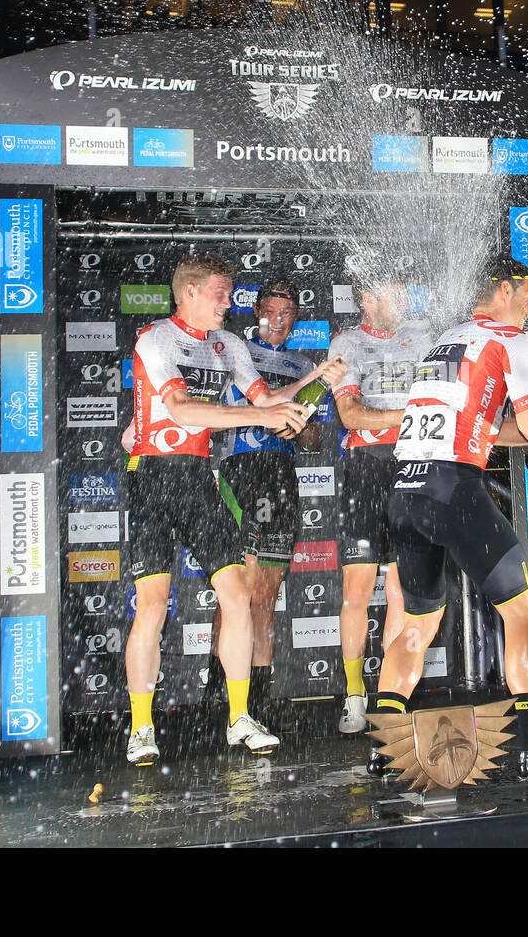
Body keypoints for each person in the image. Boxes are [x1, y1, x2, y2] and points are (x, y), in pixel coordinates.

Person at [371, 255, 528, 777]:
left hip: (405, 492)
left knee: (414, 627)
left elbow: (489, 429)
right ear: (503, 288)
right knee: (522, 614)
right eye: (527, 290)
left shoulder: (447, 339)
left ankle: (383, 753)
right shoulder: (508, 339)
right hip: (452, 487)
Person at [121, 253, 343, 763]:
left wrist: (318, 381)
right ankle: (141, 728)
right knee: (152, 607)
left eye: (230, 292)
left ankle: (239, 717)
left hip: (201, 477)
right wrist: (258, 417)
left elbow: (266, 398)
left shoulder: (229, 344)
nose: (230, 302)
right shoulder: (155, 337)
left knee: (238, 595)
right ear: (190, 292)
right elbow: (180, 408)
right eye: (221, 293)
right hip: (155, 476)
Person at [324, 277, 434, 734]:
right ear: (366, 300)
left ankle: (389, 700)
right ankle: (353, 696)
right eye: (392, 295)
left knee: (400, 591)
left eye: (405, 293)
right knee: (356, 589)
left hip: (413, 465)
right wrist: (406, 416)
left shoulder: (423, 334)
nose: (403, 302)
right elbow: (350, 415)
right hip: (366, 467)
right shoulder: (346, 341)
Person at [216, 279, 318, 720]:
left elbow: (313, 438)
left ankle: (257, 701)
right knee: (237, 588)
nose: (278, 321)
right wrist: (264, 414)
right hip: (240, 470)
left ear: (295, 318)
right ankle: (221, 696)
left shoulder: (301, 365)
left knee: (268, 592)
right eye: (271, 311)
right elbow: (211, 416)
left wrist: (299, 427)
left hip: (280, 476)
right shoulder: (232, 351)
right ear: (256, 311)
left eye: (287, 313)